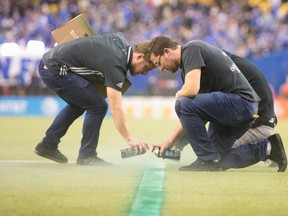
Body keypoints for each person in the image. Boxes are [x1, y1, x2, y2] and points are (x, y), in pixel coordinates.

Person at [145, 36, 287, 172]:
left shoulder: (191, 49)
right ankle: (267, 148)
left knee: (182, 103)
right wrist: (172, 143)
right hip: (238, 109)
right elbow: (194, 115)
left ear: (167, 52)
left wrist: (179, 94)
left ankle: (206, 159)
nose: (161, 69)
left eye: (158, 63)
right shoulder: (192, 64)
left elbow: (190, 94)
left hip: (242, 105)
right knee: (217, 159)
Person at [34, 34, 155, 166]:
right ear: (140, 57)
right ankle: (87, 156)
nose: (145, 73)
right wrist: (130, 139)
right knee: (98, 106)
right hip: (55, 69)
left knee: (79, 105)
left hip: (51, 63)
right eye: (147, 68)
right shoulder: (115, 64)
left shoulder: (120, 41)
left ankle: (48, 145)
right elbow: (116, 109)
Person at [173, 51, 278, 168]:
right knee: (210, 156)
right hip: (260, 118)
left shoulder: (216, 72)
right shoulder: (227, 65)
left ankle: (268, 148)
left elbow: (197, 115)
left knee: (214, 159)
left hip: (259, 124)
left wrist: (177, 143)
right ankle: (267, 147)